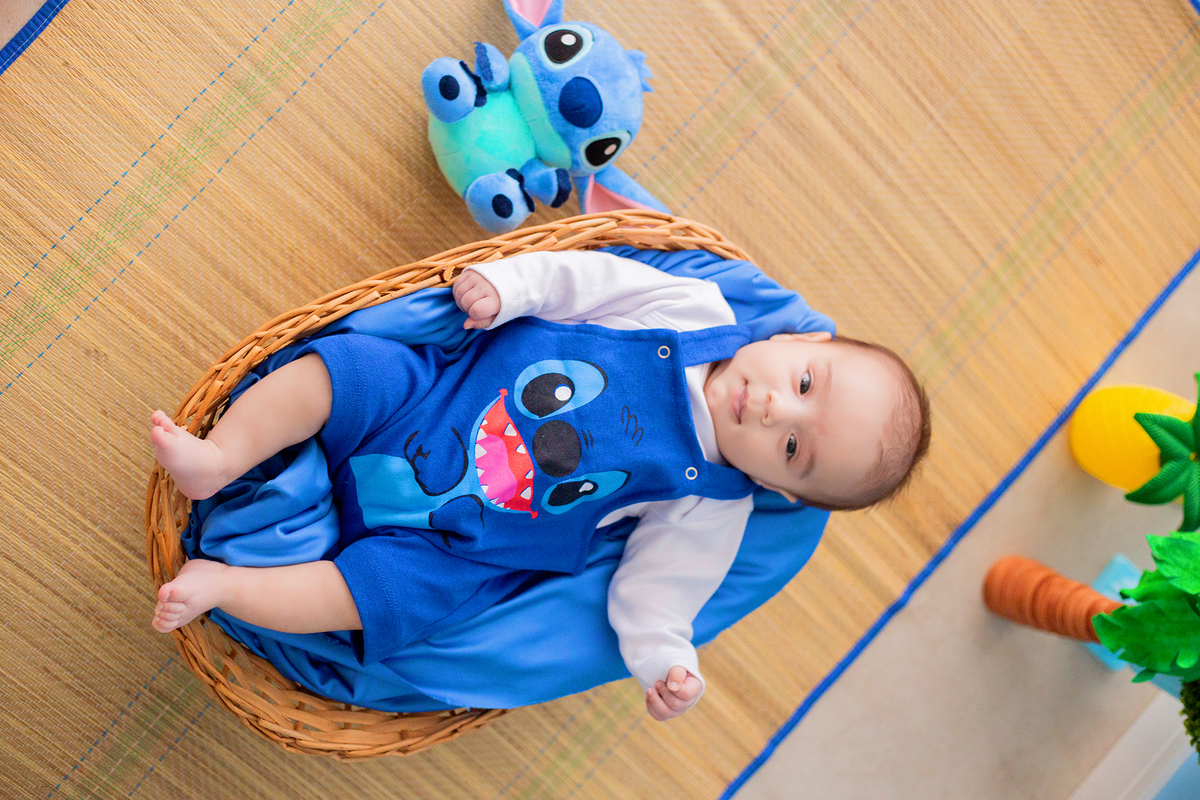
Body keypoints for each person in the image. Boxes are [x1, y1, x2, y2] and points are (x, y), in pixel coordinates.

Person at [149, 250, 930, 722]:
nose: (771, 408)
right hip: (442, 391)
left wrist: (665, 662)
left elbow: (658, 594)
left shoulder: (711, 503)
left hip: (466, 539)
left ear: (780, 490)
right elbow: (586, 280)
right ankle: (221, 457)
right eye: (802, 381)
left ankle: (229, 585)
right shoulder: (695, 310)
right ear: (802, 338)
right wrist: (511, 289)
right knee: (346, 372)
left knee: (381, 600)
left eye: (792, 446)